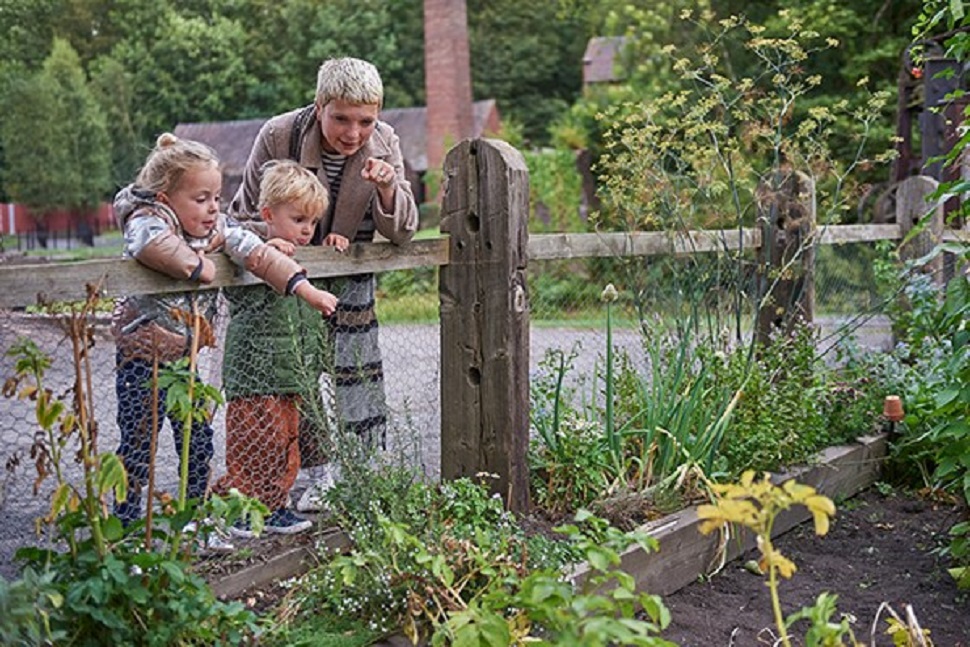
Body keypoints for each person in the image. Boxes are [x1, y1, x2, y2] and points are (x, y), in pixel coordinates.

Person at [112, 133, 337, 535]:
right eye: (201, 199)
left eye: (216, 197)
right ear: (165, 198)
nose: (214, 207)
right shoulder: (146, 219)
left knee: (196, 445)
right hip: (142, 355)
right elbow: (152, 244)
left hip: (186, 359)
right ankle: (128, 530)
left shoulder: (218, 228)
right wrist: (198, 265)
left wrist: (306, 288)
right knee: (138, 445)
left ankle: (197, 520)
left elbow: (260, 254)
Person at [229, 57, 418, 511]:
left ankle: (353, 470)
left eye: (365, 121)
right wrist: (282, 238)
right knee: (295, 379)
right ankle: (293, 474)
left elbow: (405, 230)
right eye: (341, 119)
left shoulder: (384, 143)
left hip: (348, 277)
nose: (353, 133)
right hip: (282, 278)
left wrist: (389, 189)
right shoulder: (280, 136)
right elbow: (240, 217)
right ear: (319, 107)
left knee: (351, 373)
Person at [213, 160, 338, 536]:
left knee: (285, 443)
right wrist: (269, 246)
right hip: (255, 370)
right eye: (298, 219)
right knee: (255, 443)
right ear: (268, 214)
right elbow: (244, 259)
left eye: (313, 223)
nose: (306, 230)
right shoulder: (250, 250)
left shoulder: (304, 255)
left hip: (289, 370)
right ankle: (239, 511)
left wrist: (333, 245)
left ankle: (273, 506)